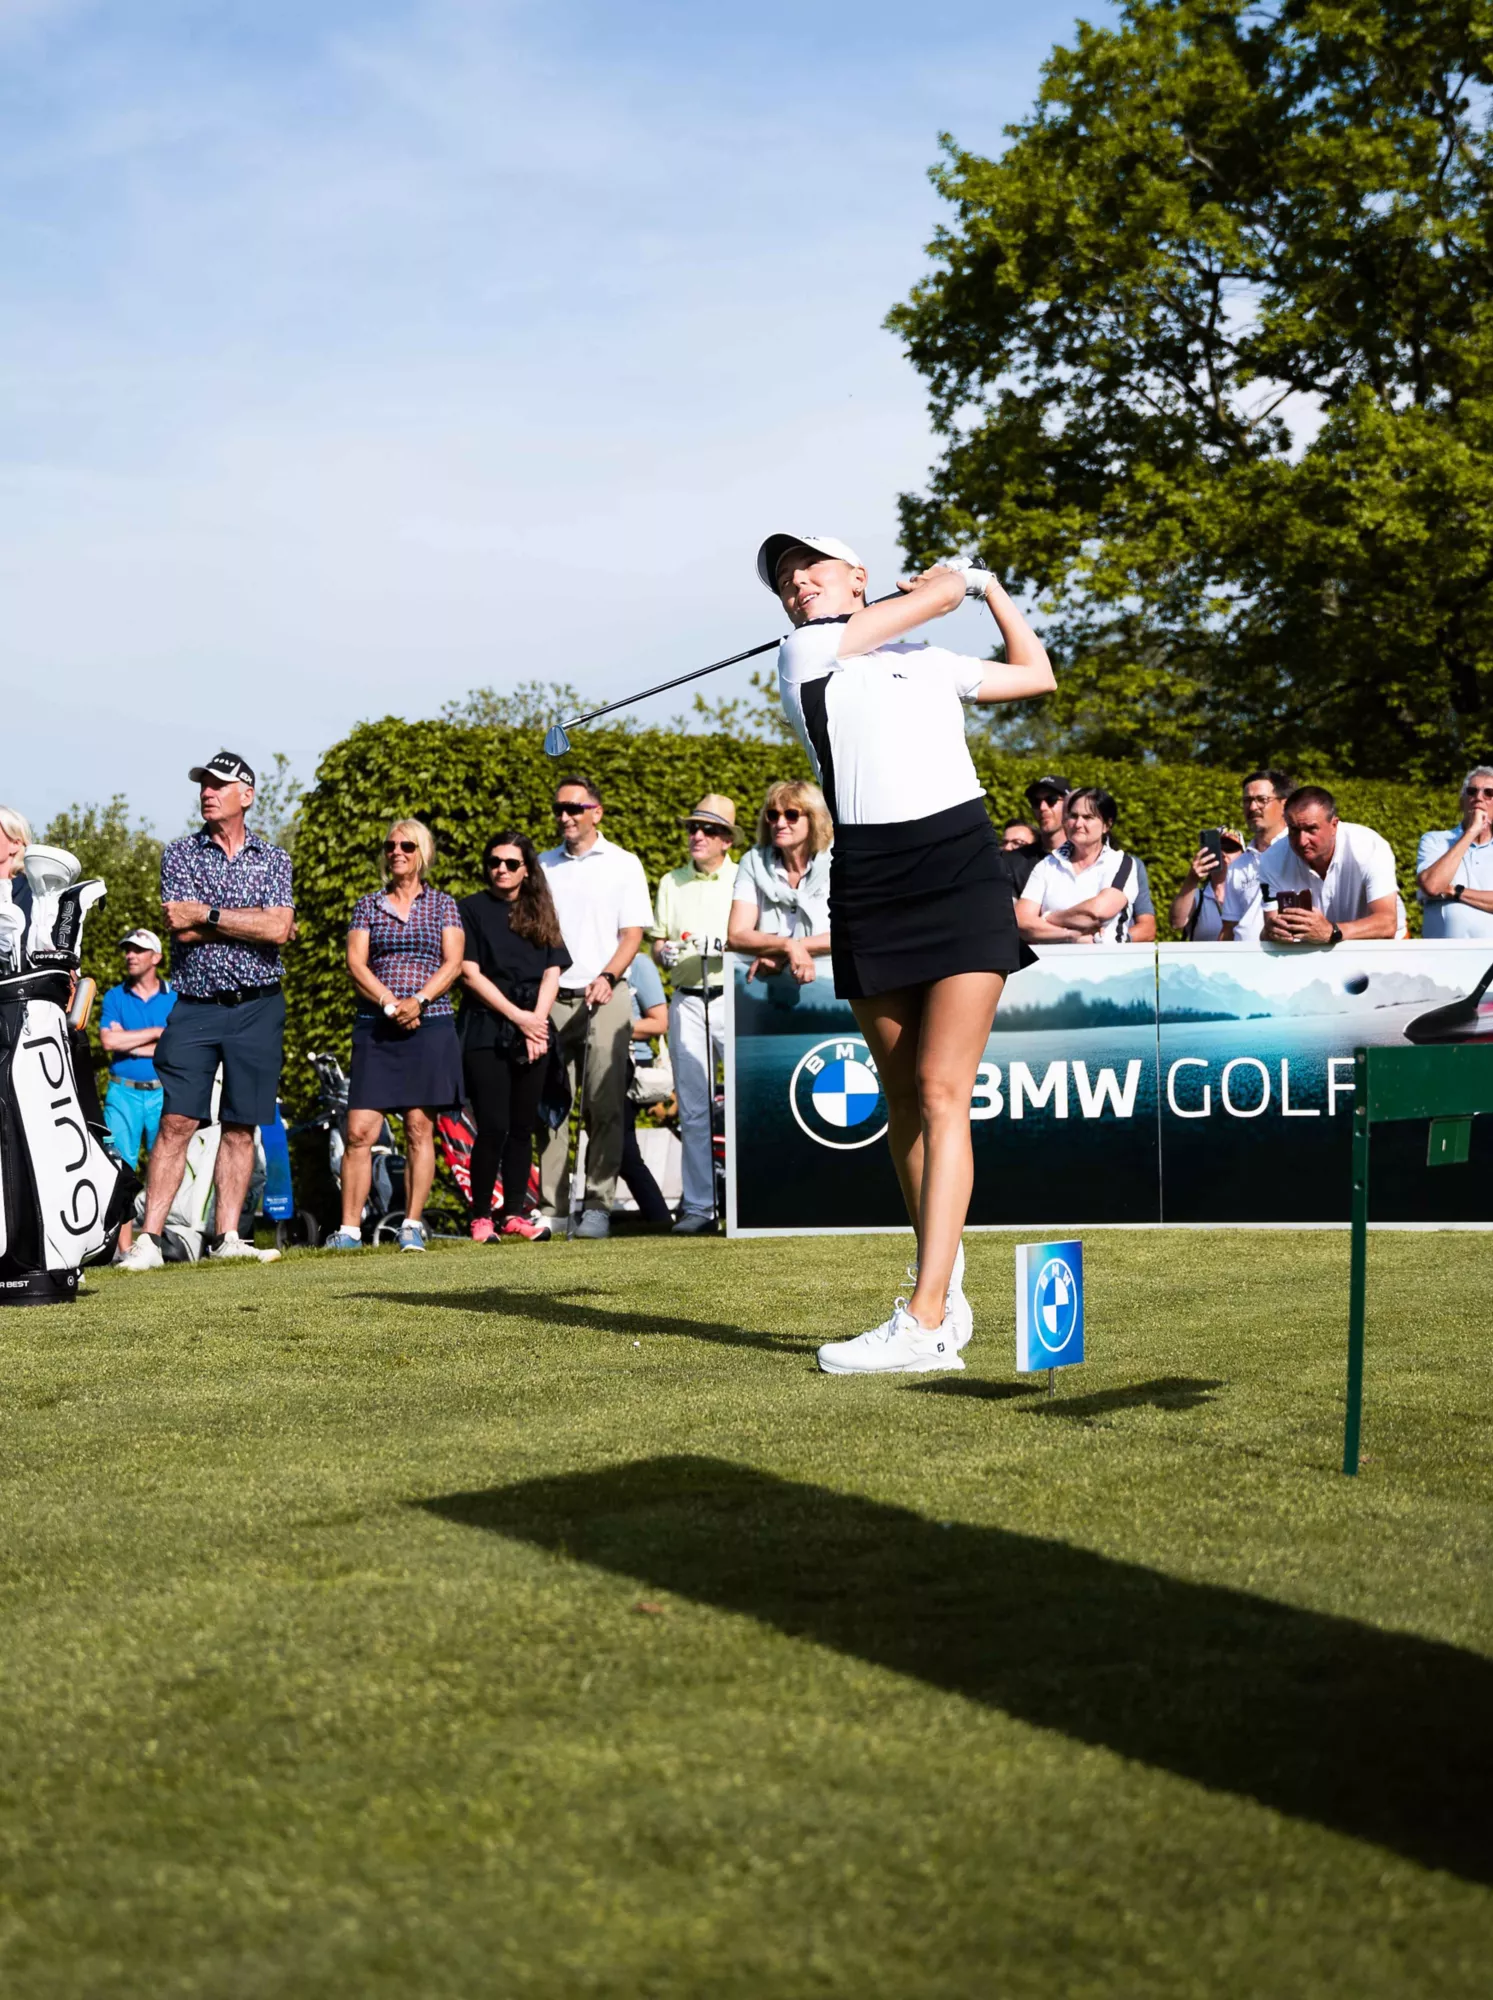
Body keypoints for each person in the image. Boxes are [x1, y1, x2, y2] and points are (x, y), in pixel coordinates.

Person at [760, 529, 1055, 1373]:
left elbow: (1035, 673)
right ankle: (945, 1282)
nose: (796, 584)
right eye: (784, 578)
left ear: (856, 574)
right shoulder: (806, 651)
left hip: (960, 866)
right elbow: (930, 598)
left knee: (940, 1089)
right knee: (900, 1100)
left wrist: (990, 590)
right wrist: (951, 580)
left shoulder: (928, 657)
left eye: (809, 567)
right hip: (871, 878)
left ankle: (924, 1323)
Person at [117, 751, 294, 1272]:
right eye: (203, 785)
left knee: (242, 1125)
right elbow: (181, 925)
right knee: (177, 1119)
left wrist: (212, 914)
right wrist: (252, 921)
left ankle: (229, 1237)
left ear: (247, 794)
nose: (207, 792)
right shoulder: (181, 854)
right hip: (196, 1007)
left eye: (218, 784)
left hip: (259, 1005)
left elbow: (279, 929)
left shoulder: (274, 859)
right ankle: (149, 1240)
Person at [328, 819, 464, 1253]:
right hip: (377, 1027)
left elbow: (453, 962)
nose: (397, 852)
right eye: (390, 846)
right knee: (359, 1131)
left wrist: (418, 1001)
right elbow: (356, 963)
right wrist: (390, 1003)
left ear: (422, 852)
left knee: (419, 1127)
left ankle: (411, 1225)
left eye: (407, 845)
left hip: (431, 1024)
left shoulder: (444, 905)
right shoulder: (368, 905)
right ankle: (348, 1231)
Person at [537, 776, 652, 1239]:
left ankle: (598, 1206)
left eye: (575, 808)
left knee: (604, 1104)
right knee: (551, 1108)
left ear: (596, 812)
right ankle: (553, 1210)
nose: (565, 816)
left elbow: (633, 935)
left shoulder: (624, 864)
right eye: (559, 808)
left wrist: (607, 976)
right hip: (551, 998)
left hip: (605, 994)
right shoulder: (542, 866)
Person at [462, 830, 571, 1242]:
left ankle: (513, 1214)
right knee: (492, 1125)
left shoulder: (541, 909)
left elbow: (552, 970)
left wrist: (537, 1022)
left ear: (527, 870)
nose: (501, 870)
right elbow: (470, 973)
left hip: (534, 1028)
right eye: (494, 862)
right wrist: (520, 1018)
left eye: (511, 863)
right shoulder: (469, 908)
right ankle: (480, 1216)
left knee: (523, 1127)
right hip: (487, 1026)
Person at [654, 794, 741, 1235]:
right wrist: (663, 951)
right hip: (687, 997)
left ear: (726, 840)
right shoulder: (672, 881)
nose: (697, 836)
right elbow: (658, 939)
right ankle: (699, 1207)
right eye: (693, 828)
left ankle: (751, 1203)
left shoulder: (743, 877)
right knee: (693, 1107)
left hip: (733, 996)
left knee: (747, 1101)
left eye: (707, 830)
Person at [99, 929, 176, 1255]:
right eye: (127, 950)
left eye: (139, 950)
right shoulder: (115, 996)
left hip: (164, 1092)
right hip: (123, 1093)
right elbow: (108, 1042)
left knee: (170, 1164)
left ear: (156, 957)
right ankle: (123, 1250)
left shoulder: (175, 995)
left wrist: (133, 1040)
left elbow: (175, 1046)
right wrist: (157, 1034)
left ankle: (156, 1243)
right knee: (119, 1169)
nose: (130, 956)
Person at [1257, 786, 1401, 944]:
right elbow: (1272, 929)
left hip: (1376, 950)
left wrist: (1332, 931)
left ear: (1334, 825)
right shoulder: (1271, 859)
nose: (1301, 841)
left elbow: (1387, 924)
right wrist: (1272, 932)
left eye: (1311, 829)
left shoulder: (1370, 847)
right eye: (1294, 830)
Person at [727, 779, 832, 986]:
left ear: (814, 819)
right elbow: (737, 935)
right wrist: (787, 946)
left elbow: (852, 933)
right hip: (771, 985)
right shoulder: (753, 861)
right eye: (773, 815)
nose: (780, 823)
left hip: (833, 984)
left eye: (791, 815)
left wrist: (793, 948)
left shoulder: (838, 861)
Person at [1015, 788, 1145, 944]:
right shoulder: (1046, 865)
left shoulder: (1122, 863)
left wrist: (1047, 918)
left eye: (1088, 817)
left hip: (1108, 964)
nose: (1078, 824)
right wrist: (1071, 936)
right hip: (1050, 965)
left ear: (1107, 825)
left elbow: (1098, 912)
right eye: (1073, 816)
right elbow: (1021, 921)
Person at [618, 953, 675, 1226]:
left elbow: (659, 1022)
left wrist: (611, 1029)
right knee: (613, 1146)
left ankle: (659, 1216)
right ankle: (658, 1216)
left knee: (621, 1147)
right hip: (598, 1061)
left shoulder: (638, 963)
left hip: (630, 1064)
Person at [1417, 767, 1493, 938]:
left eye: (1489, 793)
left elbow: (1440, 888)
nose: (1479, 797)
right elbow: (1432, 885)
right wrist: (1472, 832)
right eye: (1472, 791)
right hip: (1442, 958)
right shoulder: (1435, 840)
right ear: (1462, 801)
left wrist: (1456, 891)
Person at [1218, 768, 1293, 940]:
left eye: (1262, 799)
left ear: (1285, 805)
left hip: (1288, 957)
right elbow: (1229, 927)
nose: (1253, 807)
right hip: (1244, 962)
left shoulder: (1299, 853)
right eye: (1247, 800)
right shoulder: (1238, 865)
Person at [1169, 830, 1245, 940]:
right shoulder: (1197, 896)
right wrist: (1192, 879)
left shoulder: (1251, 893)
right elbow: (1176, 922)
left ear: (1244, 855)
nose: (1222, 853)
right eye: (1216, 849)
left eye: (1230, 849)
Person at [1024, 776, 1071, 855]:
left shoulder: (1089, 858)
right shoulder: (1015, 863)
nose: (1042, 808)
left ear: (1068, 804)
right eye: (1036, 802)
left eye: (1051, 799)